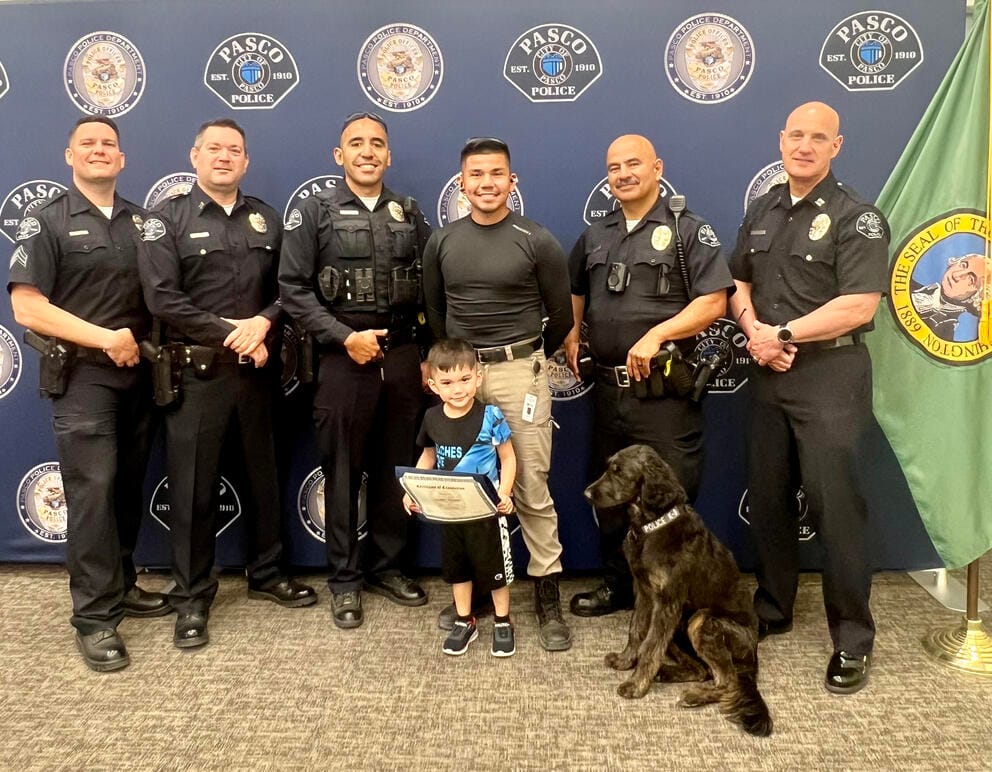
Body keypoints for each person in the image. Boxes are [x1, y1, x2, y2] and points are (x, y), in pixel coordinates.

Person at [728, 102, 889, 694]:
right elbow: (738, 284)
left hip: (830, 373)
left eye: (818, 137)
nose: (804, 145)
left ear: (836, 146)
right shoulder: (762, 209)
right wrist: (755, 336)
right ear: (781, 139)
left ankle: (852, 638)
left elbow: (861, 303)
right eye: (795, 134)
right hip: (770, 371)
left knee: (835, 510)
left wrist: (783, 335)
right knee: (768, 499)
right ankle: (772, 607)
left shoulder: (858, 217)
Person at [138, 118, 316, 649]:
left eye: (233, 150)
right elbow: (163, 299)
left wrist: (263, 322)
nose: (223, 157)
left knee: (266, 476)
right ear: (194, 156)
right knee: (192, 489)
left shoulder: (265, 218)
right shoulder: (163, 219)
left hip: (258, 372)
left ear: (245, 161)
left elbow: (290, 288)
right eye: (213, 148)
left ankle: (266, 572)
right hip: (197, 375)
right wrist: (234, 334)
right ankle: (192, 597)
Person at [7, 116, 169, 672]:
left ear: (122, 160)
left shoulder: (143, 222)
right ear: (69, 155)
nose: (100, 151)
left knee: (125, 487)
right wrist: (107, 340)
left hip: (138, 375)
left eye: (109, 144)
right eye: (88, 144)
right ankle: (95, 618)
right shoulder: (46, 221)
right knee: (93, 493)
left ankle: (122, 585)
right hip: (83, 376)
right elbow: (28, 307)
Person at [565, 134, 732, 617]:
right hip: (610, 394)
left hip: (664, 398)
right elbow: (576, 287)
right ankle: (618, 588)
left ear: (657, 167)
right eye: (614, 166)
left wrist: (658, 333)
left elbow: (713, 301)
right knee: (613, 502)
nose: (623, 174)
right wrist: (574, 331)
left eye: (633, 163)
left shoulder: (688, 231)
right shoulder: (597, 234)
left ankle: (673, 602)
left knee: (668, 508)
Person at [279, 112, 431, 629]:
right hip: (342, 357)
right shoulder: (314, 211)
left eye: (378, 144)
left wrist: (429, 353)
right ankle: (345, 579)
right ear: (338, 156)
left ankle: (389, 567)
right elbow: (293, 290)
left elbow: (430, 287)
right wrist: (345, 337)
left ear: (388, 155)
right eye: (356, 144)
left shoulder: (409, 213)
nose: (368, 152)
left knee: (398, 470)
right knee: (342, 471)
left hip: (405, 357)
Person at [422, 137, 574, 651]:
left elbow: (562, 317)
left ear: (513, 181)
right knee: (466, 486)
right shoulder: (441, 241)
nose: (486, 184)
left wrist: (524, 364)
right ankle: (484, 591)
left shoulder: (537, 240)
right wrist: (457, 373)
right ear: (461, 184)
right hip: (460, 375)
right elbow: (437, 315)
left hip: (518, 371)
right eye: (476, 175)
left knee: (527, 483)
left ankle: (546, 590)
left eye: (497, 174)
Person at [403, 338, 517, 656]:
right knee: (458, 570)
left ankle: (503, 621)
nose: (458, 389)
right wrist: (412, 490)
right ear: (433, 385)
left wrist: (505, 493)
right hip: (450, 512)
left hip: (487, 511)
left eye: (465, 379)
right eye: (448, 382)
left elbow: (508, 458)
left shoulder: (491, 415)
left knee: (496, 570)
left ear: (478, 377)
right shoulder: (432, 419)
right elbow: (427, 458)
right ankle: (464, 620)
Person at [910, 254, 986, 340]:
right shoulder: (908, 287)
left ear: (977, 297)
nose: (956, 275)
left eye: (970, 279)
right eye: (963, 265)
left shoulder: (943, 336)